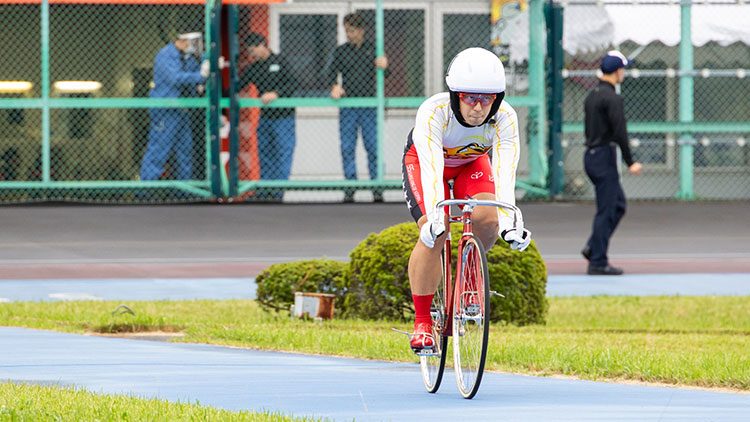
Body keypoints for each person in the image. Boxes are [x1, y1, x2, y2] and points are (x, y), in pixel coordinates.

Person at [401, 47, 531, 353]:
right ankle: (422, 323)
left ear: (497, 99)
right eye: (469, 98)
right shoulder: (434, 112)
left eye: (487, 99)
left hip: (470, 165)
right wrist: (434, 219)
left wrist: (509, 225)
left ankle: (469, 279)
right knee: (438, 231)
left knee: (488, 217)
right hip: (425, 162)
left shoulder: (506, 118)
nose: (478, 107)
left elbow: (504, 175)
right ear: (454, 95)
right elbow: (432, 170)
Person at [581, 50, 643, 276]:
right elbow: (620, 131)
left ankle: (593, 246)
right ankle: (598, 261)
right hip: (604, 158)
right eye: (623, 69)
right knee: (607, 210)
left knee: (617, 205)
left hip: (592, 156)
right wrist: (630, 161)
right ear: (618, 71)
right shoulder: (612, 98)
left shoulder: (593, 95)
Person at [326, 13, 388, 203]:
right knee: (347, 147)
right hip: (349, 105)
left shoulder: (374, 49)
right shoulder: (341, 51)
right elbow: (329, 73)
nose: (349, 35)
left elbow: (387, 74)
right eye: (346, 31)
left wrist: (385, 66)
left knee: (373, 146)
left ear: (361, 30)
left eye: (352, 31)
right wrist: (334, 86)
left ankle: (377, 186)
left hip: (369, 105)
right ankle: (350, 187)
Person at [140, 31, 208, 182]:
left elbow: (196, 73)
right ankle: (145, 190)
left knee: (185, 151)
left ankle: (184, 189)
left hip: (182, 110)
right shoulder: (165, 55)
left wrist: (207, 65)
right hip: (166, 109)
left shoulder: (187, 58)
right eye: (193, 43)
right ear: (183, 41)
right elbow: (175, 78)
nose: (195, 47)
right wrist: (201, 76)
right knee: (159, 150)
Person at [240, 32, 298, 202]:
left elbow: (294, 83)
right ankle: (265, 191)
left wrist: (276, 94)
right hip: (265, 118)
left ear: (262, 46)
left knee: (282, 153)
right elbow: (237, 85)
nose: (251, 55)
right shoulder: (253, 68)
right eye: (249, 52)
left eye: (253, 51)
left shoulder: (281, 61)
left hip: (284, 118)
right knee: (264, 153)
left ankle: (278, 193)